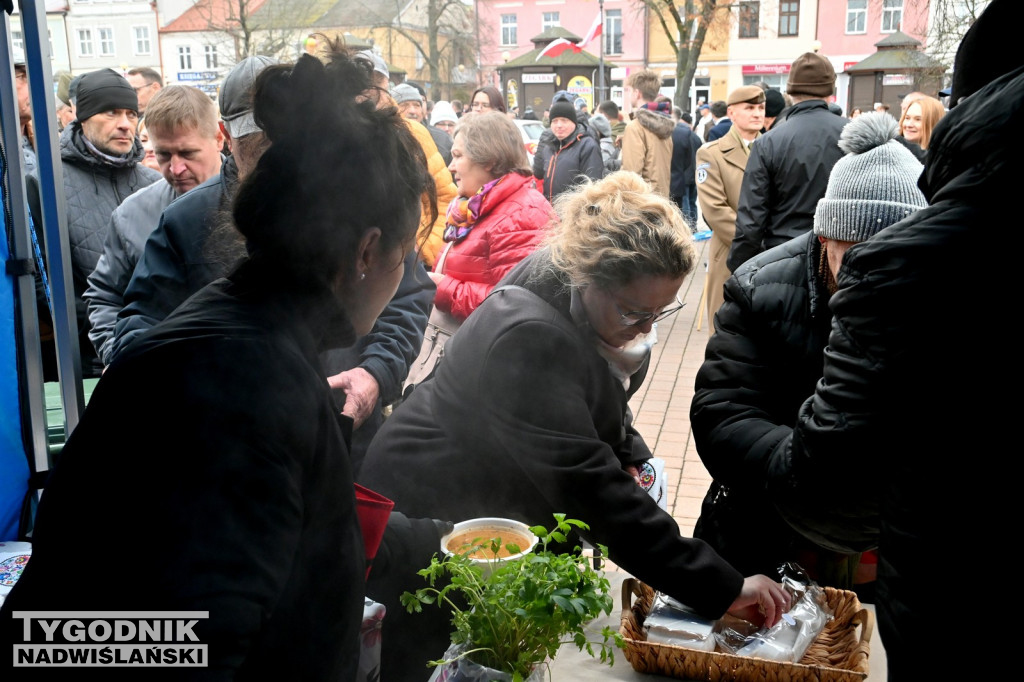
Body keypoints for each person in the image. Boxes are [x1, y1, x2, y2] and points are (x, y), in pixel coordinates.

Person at [0, 44, 441, 680]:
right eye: (403, 254)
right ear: (368, 252)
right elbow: (181, 646)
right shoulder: (245, 387)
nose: (404, 274)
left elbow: (283, 530)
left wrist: (439, 544)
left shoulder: (250, 335)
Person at [361, 171, 791, 681]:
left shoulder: (568, 288)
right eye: (635, 313)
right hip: (429, 514)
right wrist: (722, 585)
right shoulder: (529, 335)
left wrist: (631, 451)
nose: (646, 329)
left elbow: (594, 399)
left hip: (483, 494)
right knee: (443, 658)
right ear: (589, 280)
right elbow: (589, 486)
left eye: (661, 312)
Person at [764, 2, 1020, 678]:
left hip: (940, 590)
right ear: (822, 235)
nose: (854, 261)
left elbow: (829, 459)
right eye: (844, 246)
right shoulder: (766, 288)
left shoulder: (911, 268)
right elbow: (725, 402)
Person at [110, 54, 435, 473]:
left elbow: (409, 298)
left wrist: (375, 372)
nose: (280, 155)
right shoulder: (259, 393)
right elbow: (140, 325)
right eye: (261, 140)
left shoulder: (265, 321)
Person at [692, 112, 926, 596]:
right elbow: (721, 414)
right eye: (857, 257)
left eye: (896, 257)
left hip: (886, 541)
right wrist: (805, 465)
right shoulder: (758, 288)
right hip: (770, 527)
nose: (876, 277)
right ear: (824, 238)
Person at [26, 68, 162, 379]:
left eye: (131, 113)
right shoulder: (45, 183)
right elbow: (43, 280)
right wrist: (101, 336)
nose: (125, 123)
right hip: (88, 363)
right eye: (111, 112)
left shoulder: (154, 181)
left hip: (160, 350)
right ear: (82, 117)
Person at [84, 85, 225, 366]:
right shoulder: (131, 214)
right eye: (163, 155)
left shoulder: (256, 204)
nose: (175, 169)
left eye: (188, 153)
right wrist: (120, 356)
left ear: (219, 138)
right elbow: (105, 297)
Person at [727, 52, 846, 273]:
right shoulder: (854, 135)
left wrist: (738, 268)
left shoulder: (768, 142)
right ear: (830, 91)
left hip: (784, 259)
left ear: (790, 92)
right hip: (841, 257)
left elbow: (751, 223)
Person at [432, 111, 553, 322]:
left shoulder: (521, 215)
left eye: (458, 156)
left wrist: (445, 290)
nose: (451, 166)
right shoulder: (474, 207)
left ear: (489, 160)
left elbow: (518, 307)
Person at [695, 85, 765, 334]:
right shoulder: (711, 154)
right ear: (732, 113)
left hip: (772, 254)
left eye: (761, 108)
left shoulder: (776, 148)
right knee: (725, 332)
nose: (757, 113)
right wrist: (755, 242)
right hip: (731, 251)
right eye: (749, 108)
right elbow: (715, 210)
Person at [533, 92, 604, 201]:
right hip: (550, 209)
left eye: (564, 121)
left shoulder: (587, 146)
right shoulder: (548, 147)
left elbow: (594, 188)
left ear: (574, 122)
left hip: (574, 210)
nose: (559, 125)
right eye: (555, 121)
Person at [621, 69, 674, 197]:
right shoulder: (664, 124)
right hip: (661, 199)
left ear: (637, 93)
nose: (628, 95)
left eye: (629, 91)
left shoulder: (635, 127)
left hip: (642, 202)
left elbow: (631, 176)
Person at [392, 82, 453, 166]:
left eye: (416, 105)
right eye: (404, 105)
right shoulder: (382, 139)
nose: (412, 111)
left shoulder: (442, 139)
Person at [669, 106, 703, 226]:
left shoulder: (675, 135)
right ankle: (693, 225)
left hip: (684, 174)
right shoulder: (694, 136)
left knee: (685, 203)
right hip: (694, 172)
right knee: (692, 202)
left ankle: (688, 226)